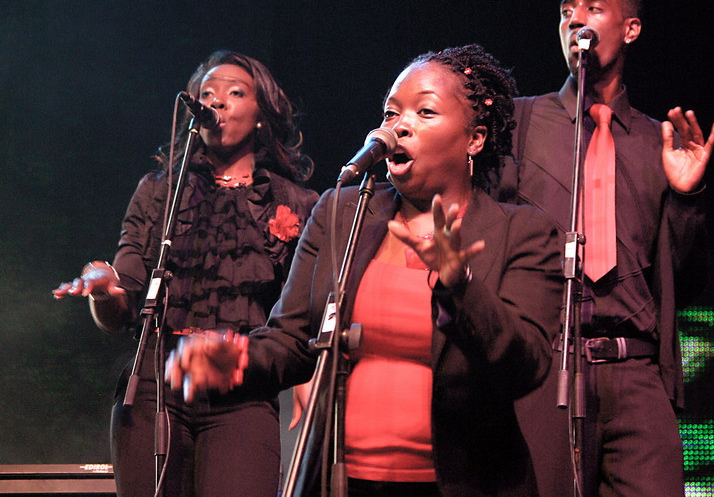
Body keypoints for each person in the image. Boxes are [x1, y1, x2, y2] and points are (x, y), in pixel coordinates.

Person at [165, 44, 564, 496]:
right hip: (342, 481)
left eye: (425, 112)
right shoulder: (340, 214)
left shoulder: (523, 231)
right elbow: (292, 339)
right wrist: (239, 359)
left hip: (462, 482)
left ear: (475, 138)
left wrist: (460, 285)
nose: (399, 126)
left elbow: (525, 366)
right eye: (391, 113)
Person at [494, 0, 714, 497]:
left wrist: (687, 197)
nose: (575, 18)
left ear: (631, 29)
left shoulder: (654, 141)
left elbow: (684, 283)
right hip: (546, 367)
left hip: (635, 372)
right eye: (567, 9)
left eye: (593, 8)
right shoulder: (521, 126)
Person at [52, 50, 320, 497]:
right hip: (156, 386)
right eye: (207, 94)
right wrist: (104, 290)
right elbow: (123, 308)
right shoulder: (159, 191)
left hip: (242, 392)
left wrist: (306, 377)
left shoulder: (296, 202)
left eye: (236, 92)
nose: (218, 102)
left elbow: (299, 316)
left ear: (260, 115)